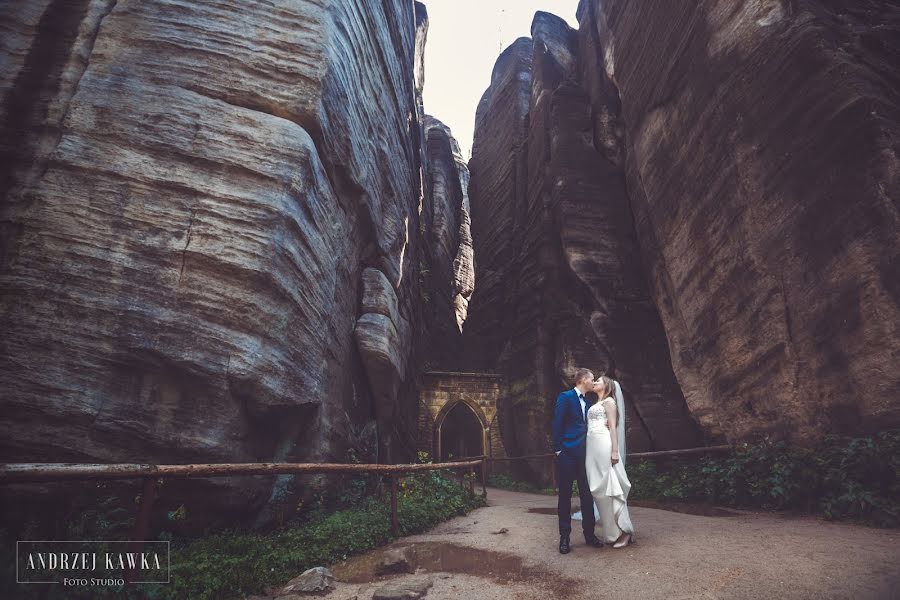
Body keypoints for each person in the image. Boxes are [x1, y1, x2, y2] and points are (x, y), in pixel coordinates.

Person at [551, 368, 604, 554]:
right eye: (591, 379)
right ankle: (564, 538)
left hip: (586, 457)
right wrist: (558, 450)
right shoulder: (565, 397)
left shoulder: (590, 402)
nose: (593, 382)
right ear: (582, 380)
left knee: (587, 496)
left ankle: (589, 535)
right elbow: (557, 423)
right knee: (564, 497)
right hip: (567, 455)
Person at [586, 375, 635, 548]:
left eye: (598, 380)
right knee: (598, 488)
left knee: (611, 485)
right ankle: (612, 531)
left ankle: (625, 530)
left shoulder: (609, 402)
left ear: (606, 386)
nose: (595, 382)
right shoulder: (596, 403)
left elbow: (613, 427)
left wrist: (614, 451)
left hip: (604, 445)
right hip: (592, 447)